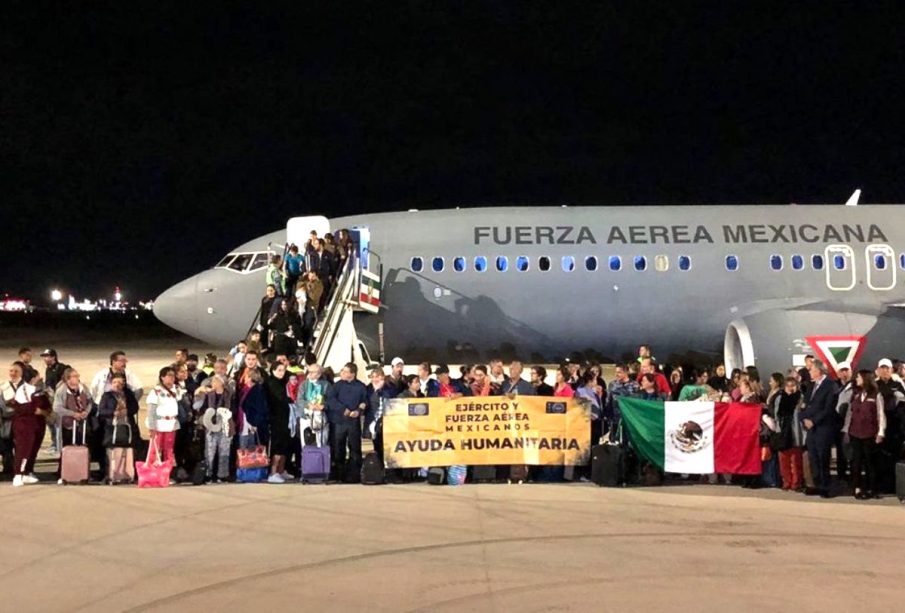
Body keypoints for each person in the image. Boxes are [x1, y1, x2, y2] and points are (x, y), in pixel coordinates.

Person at [4, 363, 51, 486]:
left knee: (32, 449)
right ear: (32, 378)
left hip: (36, 424)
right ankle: (18, 474)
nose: (40, 379)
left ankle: (26, 472)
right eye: (38, 377)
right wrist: (42, 408)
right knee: (23, 449)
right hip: (26, 425)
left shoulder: (35, 390)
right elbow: (33, 408)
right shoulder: (29, 390)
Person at [843, 370, 886, 500]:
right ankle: (857, 487)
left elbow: (880, 414)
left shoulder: (876, 394)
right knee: (856, 462)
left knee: (869, 462)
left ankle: (871, 488)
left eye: (859, 377)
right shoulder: (855, 394)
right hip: (855, 432)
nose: (856, 379)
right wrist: (846, 430)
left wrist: (881, 432)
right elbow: (850, 414)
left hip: (869, 433)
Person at [799, 359, 839, 498]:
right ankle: (816, 484)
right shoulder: (812, 386)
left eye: (811, 369)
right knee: (813, 457)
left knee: (823, 457)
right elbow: (805, 404)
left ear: (818, 370)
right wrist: (803, 418)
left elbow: (828, 408)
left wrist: (814, 421)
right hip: (810, 427)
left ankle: (826, 486)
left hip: (823, 427)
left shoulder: (830, 385)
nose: (809, 372)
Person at [326, 362, 367, 482]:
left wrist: (359, 410)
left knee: (355, 448)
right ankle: (339, 474)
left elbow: (364, 401)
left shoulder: (360, 386)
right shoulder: (337, 386)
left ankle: (355, 474)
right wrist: (343, 409)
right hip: (339, 421)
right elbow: (331, 400)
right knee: (338, 448)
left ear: (352, 374)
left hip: (353, 422)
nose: (342, 373)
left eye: (345, 371)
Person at [53, 368, 96, 482]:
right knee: (67, 447)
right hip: (68, 424)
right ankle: (64, 473)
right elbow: (57, 407)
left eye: (77, 375)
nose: (78, 378)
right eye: (75, 376)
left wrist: (86, 412)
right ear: (68, 378)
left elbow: (90, 401)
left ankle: (83, 472)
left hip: (82, 423)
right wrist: (73, 414)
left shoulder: (83, 388)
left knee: (83, 446)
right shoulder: (62, 390)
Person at [194, 374, 234, 483]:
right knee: (209, 452)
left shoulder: (229, 395)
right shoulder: (209, 395)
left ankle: (223, 474)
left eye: (215, 381)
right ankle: (208, 474)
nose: (213, 383)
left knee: (224, 451)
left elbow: (232, 409)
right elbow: (203, 409)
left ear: (221, 383)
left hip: (224, 426)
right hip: (210, 426)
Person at [875, 358, 904, 493]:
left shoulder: (898, 384)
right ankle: (881, 486)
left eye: (887, 368)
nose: (885, 371)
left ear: (892, 370)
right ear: (878, 370)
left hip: (895, 427)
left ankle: (895, 486)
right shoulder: (874, 385)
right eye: (882, 368)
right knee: (879, 458)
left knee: (894, 457)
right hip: (879, 428)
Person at [772, 377, 804, 491]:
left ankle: (796, 483)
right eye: (788, 385)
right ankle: (786, 481)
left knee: (796, 460)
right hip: (783, 431)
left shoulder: (800, 398)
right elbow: (776, 416)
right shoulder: (779, 398)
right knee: (783, 459)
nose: (790, 388)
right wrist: (778, 430)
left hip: (796, 432)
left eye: (793, 385)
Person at [146, 367, 181, 470]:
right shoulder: (156, 391)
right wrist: (152, 426)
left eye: (173, 376)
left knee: (169, 450)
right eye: (169, 375)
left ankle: (166, 473)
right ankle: (152, 472)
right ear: (162, 377)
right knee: (155, 449)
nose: (172, 378)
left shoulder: (176, 390)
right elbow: (151, 410)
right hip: (159, 424)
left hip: (171, 424)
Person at [264, 362, 293, 483]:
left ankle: (281, 470)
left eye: (283, 370)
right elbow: (281, 398)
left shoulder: (283, 382)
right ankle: (273, 472)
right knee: (277, 445)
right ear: (273, 370)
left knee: (285, 444)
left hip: (285, 417)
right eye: (279, 370)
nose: (282, 372)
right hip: (275, 418)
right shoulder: (271, 383)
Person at [41, 348, 69, 454]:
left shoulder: (61, 367)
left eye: (47, 356)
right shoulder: (48, 369)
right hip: (51, 399)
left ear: (53, 357)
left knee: (58, 423)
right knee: (51, 422)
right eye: (44, 356)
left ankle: (58, 445)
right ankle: (54, 443)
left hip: (60, 400)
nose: (45, 358)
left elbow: (69, 376)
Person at [298, 362, 330, 449]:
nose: (310, 374)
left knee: (321, 441)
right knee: (306, 442)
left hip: (321, 416)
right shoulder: (304, 384)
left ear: (319, 374)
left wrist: (323, 406)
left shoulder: (326, 384)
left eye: (313, 372)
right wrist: (308, 405)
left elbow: (330, 400)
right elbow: (299, 400)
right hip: (306, 416)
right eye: (309, 371)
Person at [833, 362, 854, 481]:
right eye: (842, 371)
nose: (844, 373)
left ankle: (852, 475)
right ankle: (841, 475)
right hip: (836, 423)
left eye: (847, 370)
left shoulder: (856, 386)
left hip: (851, 423)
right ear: (838, 373)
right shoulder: (833, 387)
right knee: (840, 451)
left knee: (851, 451)